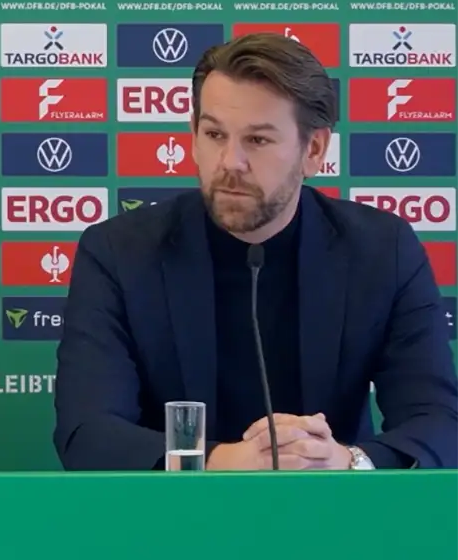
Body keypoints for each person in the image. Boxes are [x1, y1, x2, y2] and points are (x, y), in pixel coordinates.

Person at [54, 33, 458, 471]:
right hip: (170, 523)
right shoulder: (119, 253)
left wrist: (346, 462)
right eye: (213, 134)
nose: (230, 161)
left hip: (333, 519)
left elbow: (438, 420)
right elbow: (86, 430)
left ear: (314, 150)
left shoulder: (382, 250)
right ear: (192, 135)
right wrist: (224, 463)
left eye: (258, 140)